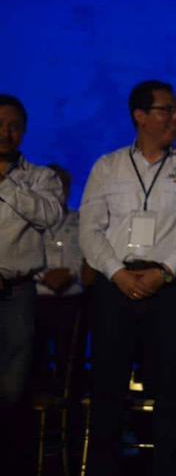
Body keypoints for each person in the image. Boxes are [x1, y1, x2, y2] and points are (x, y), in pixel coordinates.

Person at [79, 80, 176, 475]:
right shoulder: (108, 166)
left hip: (169, 286)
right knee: (107, 386)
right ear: (140, 115)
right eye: (166, 110)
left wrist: (166, 270)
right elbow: (90, 230)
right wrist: (118, 274)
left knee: (172, 389)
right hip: (115, 287)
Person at [0, 94, 64, 471]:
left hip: (17, 291)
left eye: (13, 126)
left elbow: (51, 215)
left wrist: (5, 183)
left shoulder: (41, 177)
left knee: (12, 388)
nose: (5, 133)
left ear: (23, 131)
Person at [32, 164, 85, 393]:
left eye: (62, 185)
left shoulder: (81, 220)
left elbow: (89, 254)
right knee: (33, 356)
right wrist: (43, 275)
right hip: (35, 297)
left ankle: (68, 401)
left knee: (70, 357)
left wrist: (70, 273)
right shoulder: (27, 221)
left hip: (71, 297)